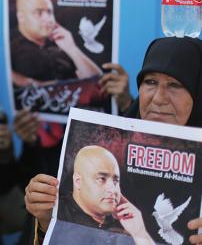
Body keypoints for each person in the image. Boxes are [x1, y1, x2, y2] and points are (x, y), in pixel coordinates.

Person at [25, 36, 202, 244]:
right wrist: (49, 222)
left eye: (175, 85)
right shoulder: (107, 159)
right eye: (150, 82)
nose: (158, 98)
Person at [10, 0, 102, 87]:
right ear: (21, 17)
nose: (48, 19)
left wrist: (72, 49)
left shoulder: (61, 44)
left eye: (49, 12)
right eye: (39, 13)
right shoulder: (7, 46)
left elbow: (99, 84)